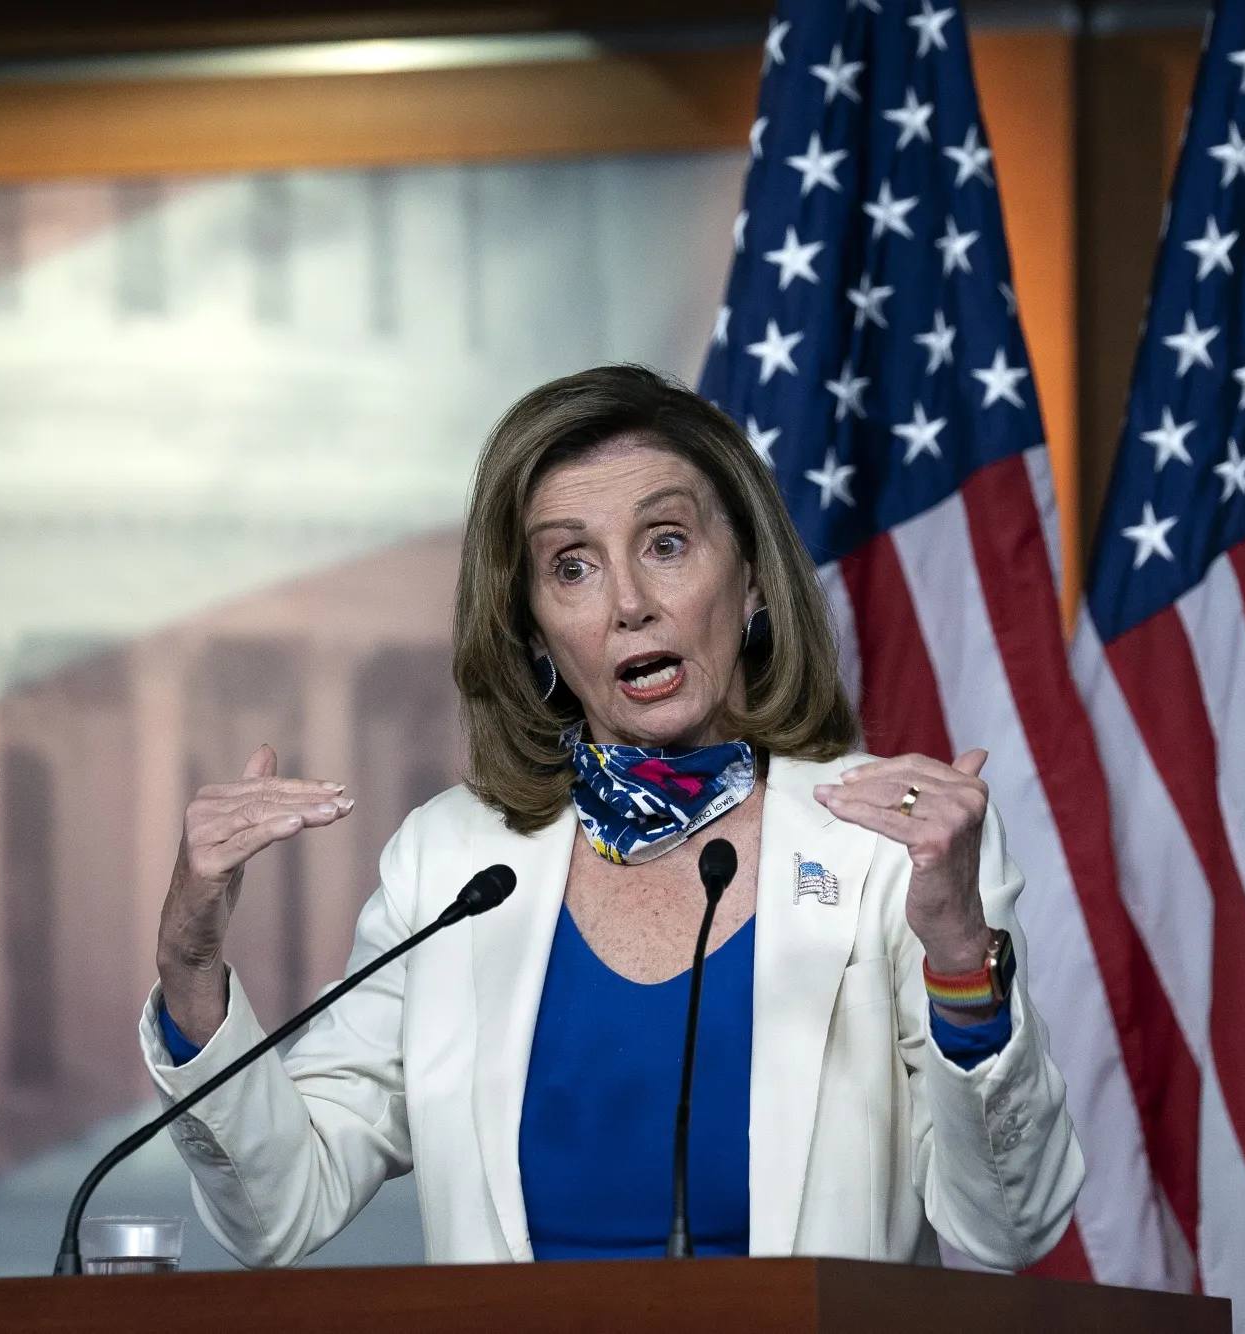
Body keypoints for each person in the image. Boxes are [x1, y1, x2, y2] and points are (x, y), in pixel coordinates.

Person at [143, 364, 1084, 1268]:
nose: (630, 603)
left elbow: (1010, 1225)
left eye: (666, 543)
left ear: (751, 579)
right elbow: (278, 1209)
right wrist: (189, 964)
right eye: (572, 566)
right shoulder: (451, 861)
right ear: (532, 626)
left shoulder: (891, 848)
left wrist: (960, 953)